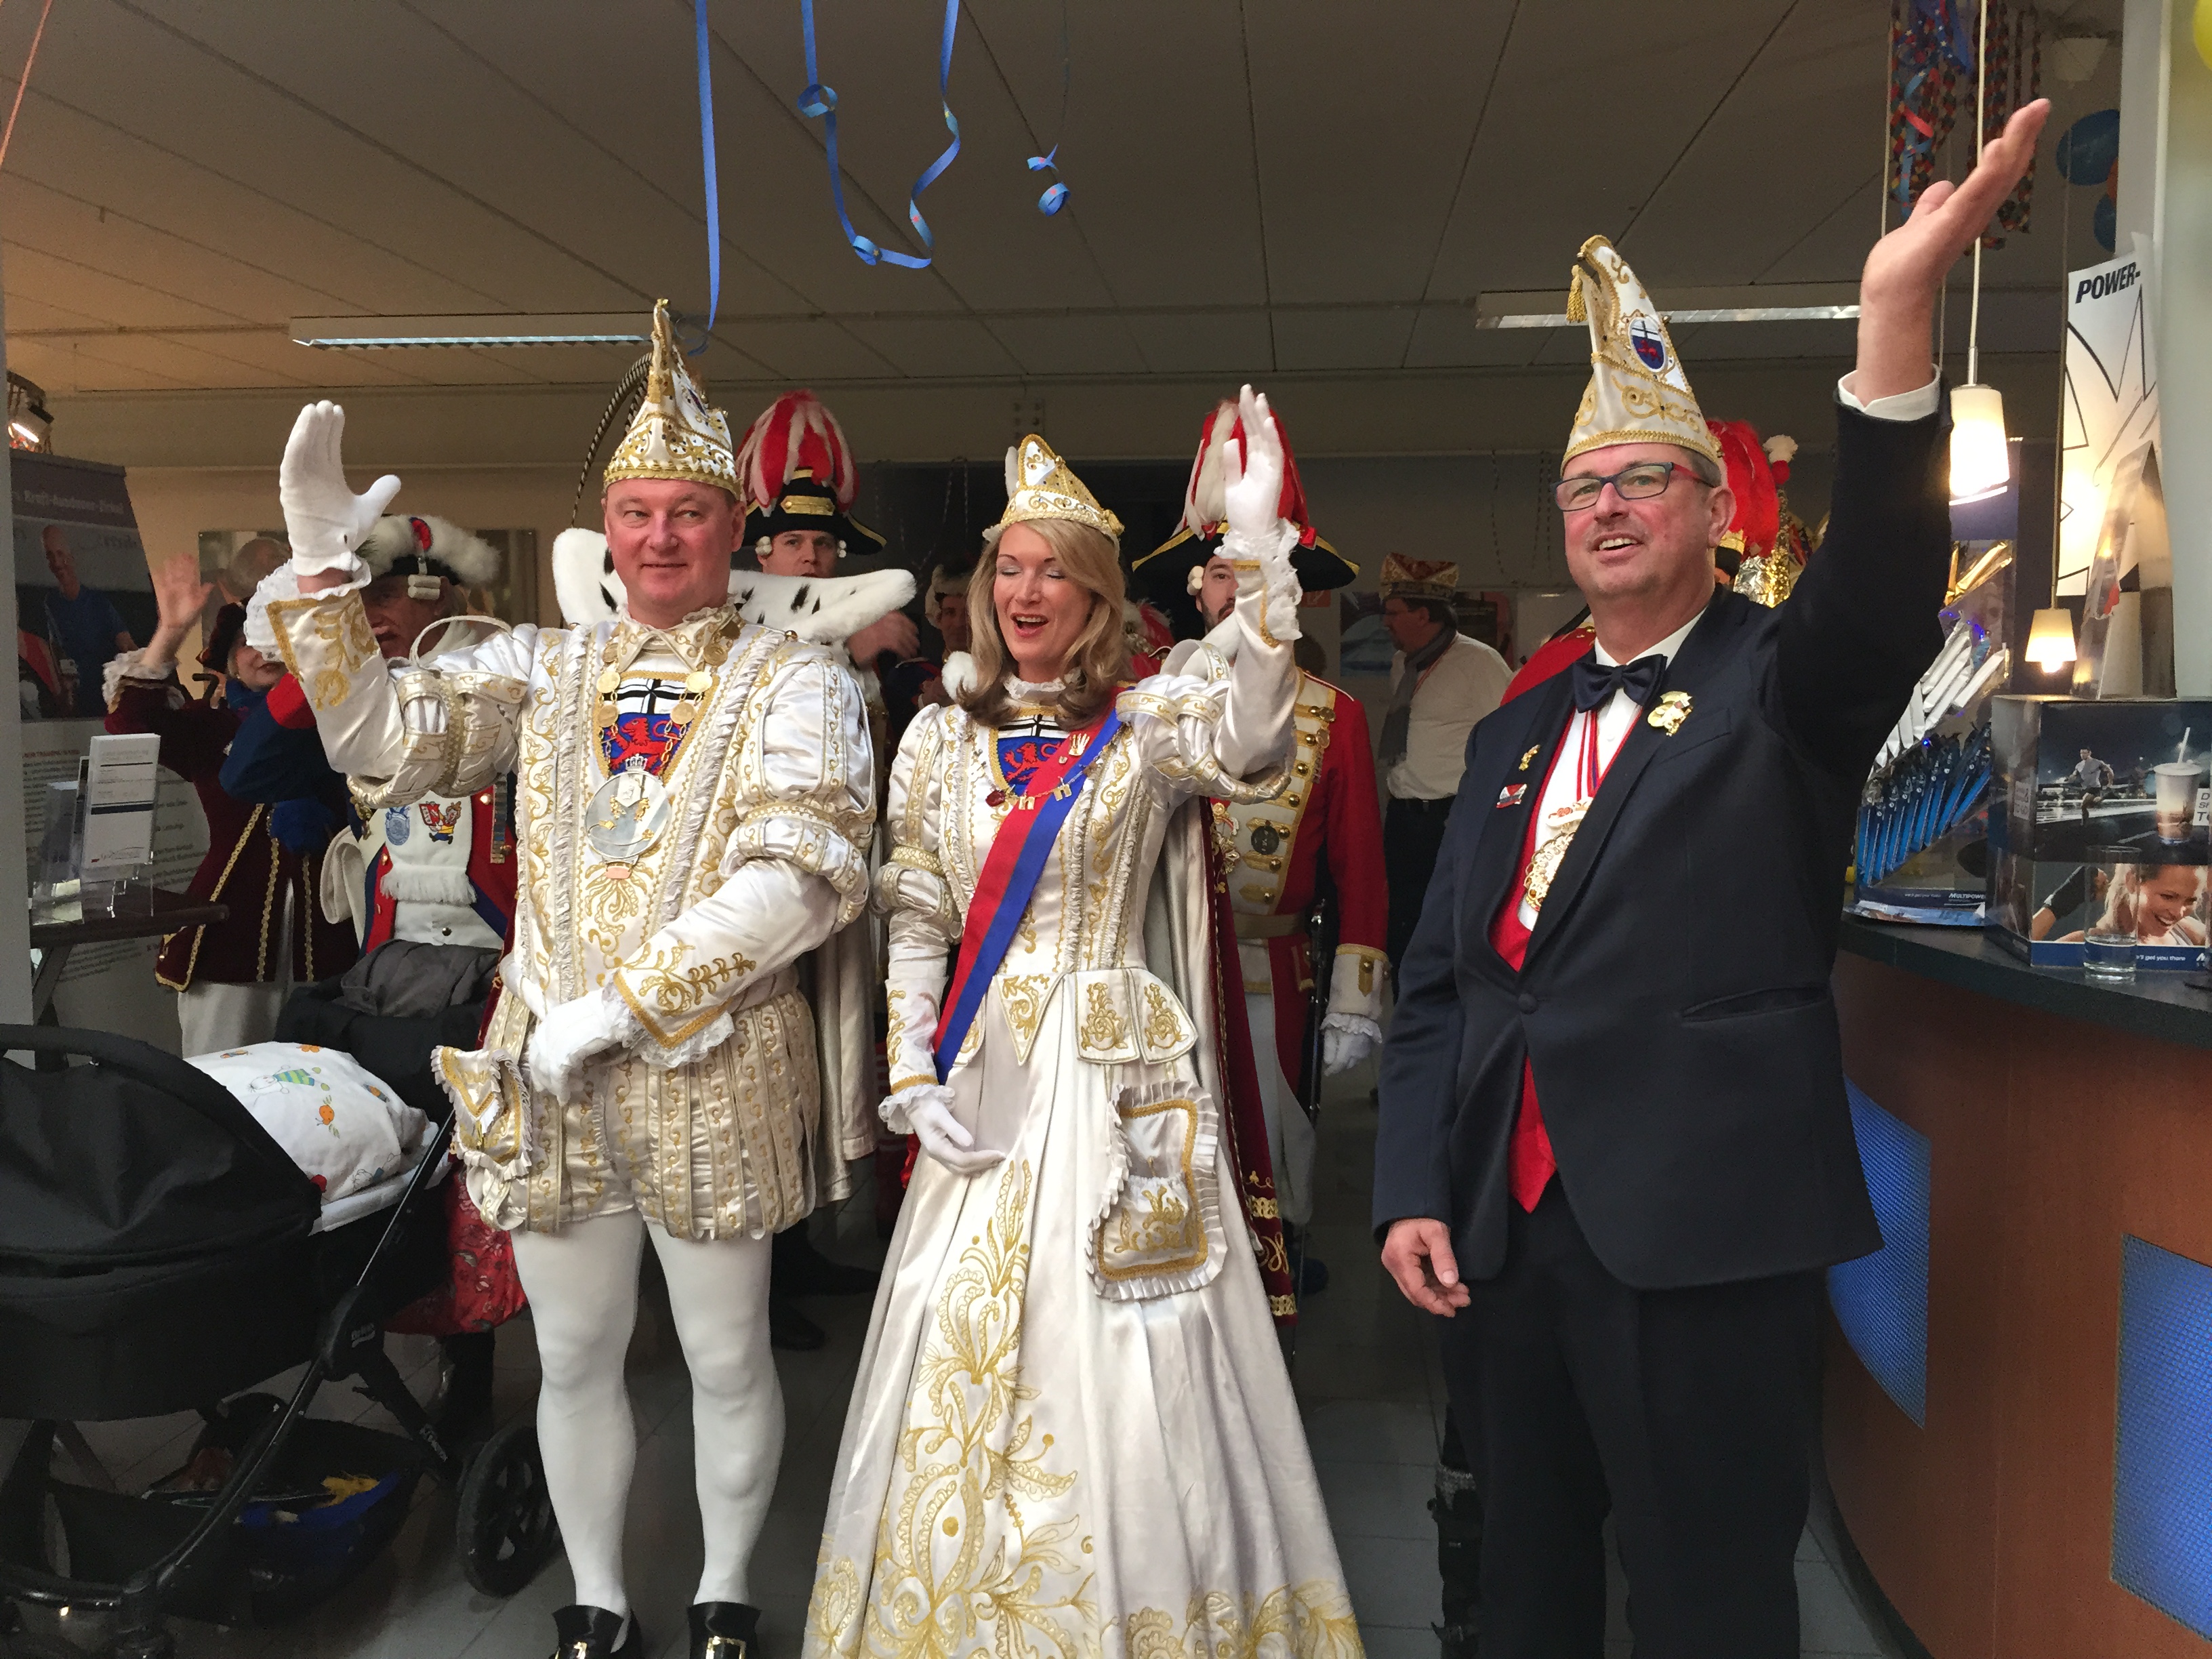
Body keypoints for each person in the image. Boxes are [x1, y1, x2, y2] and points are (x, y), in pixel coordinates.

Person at [1373, 100, 2047, 1659]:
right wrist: (1410, 1179)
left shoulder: (1783, 684)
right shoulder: (1517, 724)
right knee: (1521, 1584)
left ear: (1711, 509)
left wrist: (1891, 322)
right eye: (1583, 488)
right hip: (1504, 1234)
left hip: (1700, 1234)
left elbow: (1877, 593)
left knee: (1708, 1601)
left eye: (1643, 480)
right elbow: (1445, 982)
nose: (1607, 506)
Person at [258, 300, 877, 1659]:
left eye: (688, 513)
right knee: (576, 1352)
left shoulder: (798, 680)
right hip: (547, 1075)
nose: (660, 536)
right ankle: (597, 1598)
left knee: (724, 1352)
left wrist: (618, 1010)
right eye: (637, 512)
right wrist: (320, 572)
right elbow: (380, 741)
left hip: (711, 1065)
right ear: (606, 523)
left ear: (730, 525)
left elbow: (802, 877)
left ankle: (724, 1591)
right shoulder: (540, 666)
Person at [806, 398, 1356, 1659]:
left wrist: (1259, 553)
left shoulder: (1149, 722)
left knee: (1135, 1329)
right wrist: (908, 1068)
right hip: (984, 1069)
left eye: (1052, 569)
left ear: (1098, 594)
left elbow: (1258, 740)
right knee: (959, 1323)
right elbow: (916, 913)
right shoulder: (936, 738)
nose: (1024, 590)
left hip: (1119, 1071)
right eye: (1008, 566)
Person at [1130, 396, 1387, 1287]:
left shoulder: (1335, 717)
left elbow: (1360, 870)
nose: (1235, 592)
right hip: (1162, 963)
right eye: (1220, 574)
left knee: (1275, 1142)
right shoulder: (1147, 701)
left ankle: (1272, 1277)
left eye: (1254, 572)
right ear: (1196, 588)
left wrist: (1356, 997)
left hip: (1271, 969)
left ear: (1288, 587)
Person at [104, 557, 358, 1054]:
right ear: (229, 657)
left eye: (278, 638)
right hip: (228, 938)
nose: (264, 652)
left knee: (329, 1081)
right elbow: (130, 724)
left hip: (334, 939)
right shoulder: (211, 726)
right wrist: (170, 632)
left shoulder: (348, 724)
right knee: (221, 1077)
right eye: (250, 642)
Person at [1376, 556, 1511, 970]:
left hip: (1449, 818)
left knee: (1446, 928)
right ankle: (1407, 1002)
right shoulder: (1403, 663)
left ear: (1423, 615)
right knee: (1402, 923)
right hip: (1403, 816)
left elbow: (1508, 739)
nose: (1385, 622)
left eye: (1394, 613)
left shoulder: (1479, 661)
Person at [43, 524, 138, 716]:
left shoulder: (98, 602)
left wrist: (153, 675)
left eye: (61, 554)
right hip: (76, 705)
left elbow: (127, 646)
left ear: (72, 556)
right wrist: (63, 689)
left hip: (106, 701)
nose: (57, 563)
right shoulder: (51, 602)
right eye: (50, 556)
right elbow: (56, 648)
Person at [2060, 860, 2209, 946]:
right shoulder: (2085, 943)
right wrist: (2055, 905)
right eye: (2168, 897)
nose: (2178, 913)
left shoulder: (2190, 932)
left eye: (2190, 901)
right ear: (2132, 882)